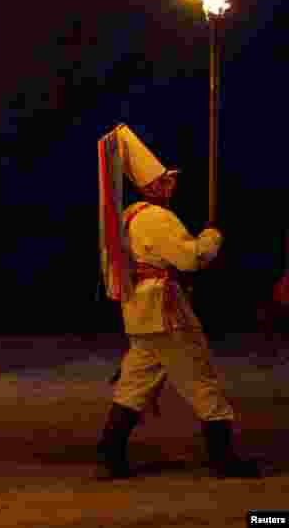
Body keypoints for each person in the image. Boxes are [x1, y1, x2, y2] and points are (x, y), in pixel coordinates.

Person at [96, 124, 261, 479]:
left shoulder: (128, 217)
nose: (172, 185)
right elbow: (188, 259)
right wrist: (210, 239)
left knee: (135, 382)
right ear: (154, 185)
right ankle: (224, 458)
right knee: (201, 379)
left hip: (139, 312)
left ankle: (110, 452)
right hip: (164, 312)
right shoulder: (157, 218)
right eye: (167, 180)